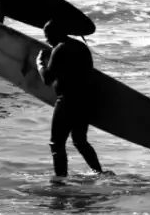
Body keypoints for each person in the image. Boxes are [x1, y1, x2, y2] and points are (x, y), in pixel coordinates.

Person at [39, 19, 107, 178]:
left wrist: (40, 63)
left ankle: (60, 180)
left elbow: (47, 79)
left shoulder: (61, 48)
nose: (47, 40)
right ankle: (99, 173)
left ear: (56, 34)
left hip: (68, 101)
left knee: (56, 144)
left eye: (48, 35)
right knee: (79, 140)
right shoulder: (80, 47)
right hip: (86, 100)